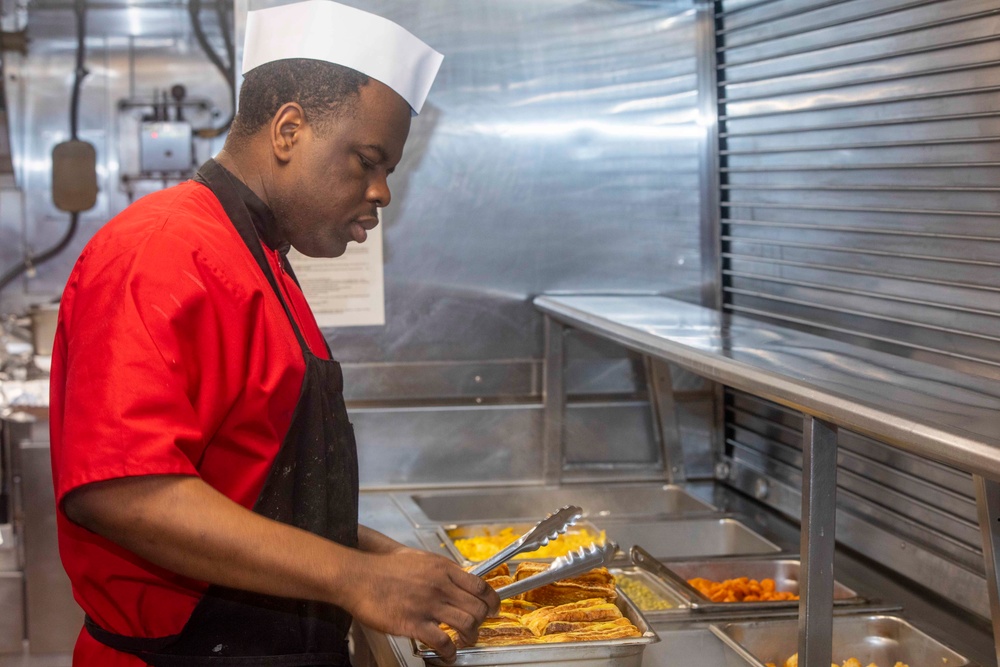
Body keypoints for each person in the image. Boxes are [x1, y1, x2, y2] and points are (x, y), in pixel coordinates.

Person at [48, 1, 498, 665]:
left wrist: (376, 553)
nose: (381, 192)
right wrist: (358, 577)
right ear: (289, 129)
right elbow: (124, 491)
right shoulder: (163, 248)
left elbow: (246, 488)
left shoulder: (260, 260)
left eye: (389, 171)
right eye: (367, 160)